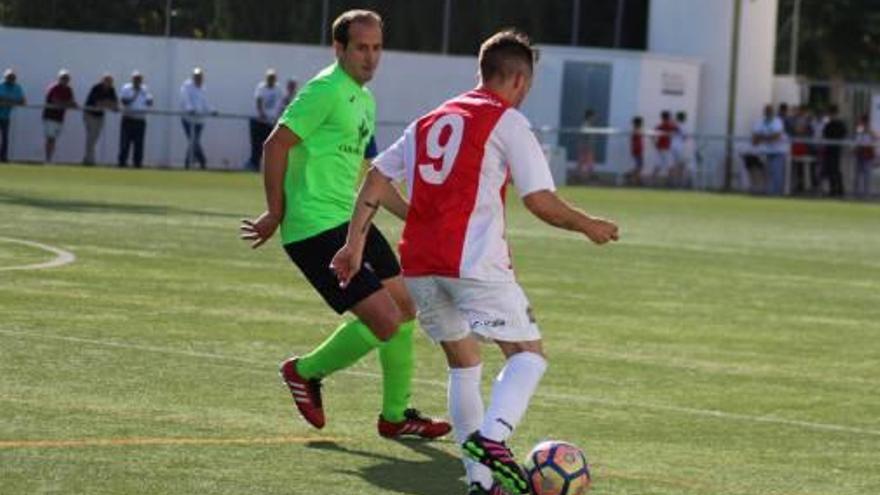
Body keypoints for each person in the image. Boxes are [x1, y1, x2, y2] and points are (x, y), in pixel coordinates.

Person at [330, 30, 619, 495]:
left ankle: (481, 485)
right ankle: (492, 438)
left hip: (420, 265)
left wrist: (354, 246)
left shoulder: (429, 120)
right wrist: (589, 225)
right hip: (473, 263)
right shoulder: (506, 121)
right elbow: (540, 201)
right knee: (528, 356)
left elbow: (378, 177)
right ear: (520, 80)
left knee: (464, 364)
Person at [239, 9, 450, 442]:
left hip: (351, 220)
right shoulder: (325, 90)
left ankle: (395, 416)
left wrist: (417, 218)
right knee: (386, 321)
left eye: (376, 48)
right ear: (340, 49)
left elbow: (371, 175)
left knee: (406, 307)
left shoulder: (364, 99)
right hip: (315, 229)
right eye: (361, 48)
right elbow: (275, 145)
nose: (370, 57)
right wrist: (275, 212)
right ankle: (304, 372)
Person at [248, 69, 286, 171]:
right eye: (269, 77)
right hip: (260, 122)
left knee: (271, 146)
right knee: (257, 146)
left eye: (273, 78)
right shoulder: (261, 87)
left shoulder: (279, 89)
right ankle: (255, 166)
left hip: (272, 123)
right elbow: (258, 101)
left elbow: (282, 103)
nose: (271, 79)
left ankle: (270, 167)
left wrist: (278, 116)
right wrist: (262, 114)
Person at [179, 67, 215, 169]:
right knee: (193, 141)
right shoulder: (187, 86)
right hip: (188, 119)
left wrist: (212, 110)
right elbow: (185, 99)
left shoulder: (203, 88)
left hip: (199, 120)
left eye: (200, 77)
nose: (198, 79)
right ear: (193, 77)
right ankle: (199, 161)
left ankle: (194, 162)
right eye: (197, 77)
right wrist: (190, 109)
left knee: (194, 141)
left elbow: (205, 103)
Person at [118, 71, 153, 168]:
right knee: (125, 143)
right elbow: (124, 101)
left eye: (139, 79)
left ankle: (137, 164)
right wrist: (134, 95)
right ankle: (122, 163)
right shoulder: (126, 88)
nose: (137, 81)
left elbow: (149, 101)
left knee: (139, 144)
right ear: (132, 79)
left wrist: (150, 100)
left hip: (140, 120)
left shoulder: (145, 89)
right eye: (136, 79)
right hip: (128, 119)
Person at [82, 73, 119, 165]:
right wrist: (108, 104)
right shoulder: (96, 88)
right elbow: (98, 103)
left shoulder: (111, 90)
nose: (108, 83)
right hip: (89, 114)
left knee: (95, 138)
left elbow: (116, 106)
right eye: (106, 81)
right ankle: (90, 161)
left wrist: (107, 104)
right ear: (102, 81)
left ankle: (87, 159)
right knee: (91, 137)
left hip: (100, 116)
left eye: (110, 81)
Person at [752, 104, 788, 196]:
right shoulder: (759, 122)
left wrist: (762, 137)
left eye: (770, 111)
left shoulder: (777, 121)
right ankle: (768, 192)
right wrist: (767, 138)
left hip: (778, 151)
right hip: (766, 151)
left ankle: (777, 193)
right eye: (767, 111)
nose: (768, 113)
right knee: (768, 173)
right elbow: (755, 140)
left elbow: (776, 136)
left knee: (777, 173)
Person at [42, 69, 78, 163]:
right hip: (50, 116)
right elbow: (56, 102)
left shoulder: (69, 89)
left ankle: (50, 159)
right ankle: (48, 159)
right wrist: (66, 104)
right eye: (63, 78)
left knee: (54, 139)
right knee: (50, 138)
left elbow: (73, 103)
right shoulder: (54, 88)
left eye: (66, 78)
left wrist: (65, 104)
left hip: (60, 118)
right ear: (59, 78)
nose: (65, 80)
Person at [0, 68, 26, 163]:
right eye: (9, 77)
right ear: (5, 77)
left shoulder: (17, 87)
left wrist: (7, 100)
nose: (11, 79)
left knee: (5, 138)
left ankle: (3, 158)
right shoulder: (0, 85)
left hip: (6, 117)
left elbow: (23, 102)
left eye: (12, 77)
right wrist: (10, 101)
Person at [821, 104, 847, 198]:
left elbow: (841, 134)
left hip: (835, 150)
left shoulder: (837, 124)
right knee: (832, 170)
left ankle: (837, 189)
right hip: (830, 149)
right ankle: (836, 189)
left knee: (834, 170)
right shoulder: (830, 124)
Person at [652, 110, 677, 185]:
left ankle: (655, 182)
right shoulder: (668, 126)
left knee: (659, 166)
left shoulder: (661, 126)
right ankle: (670, 183)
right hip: (665, 148)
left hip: (662, 148)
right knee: (668, 166)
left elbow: (653, 135)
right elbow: (677, 130)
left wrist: (655, 144)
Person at [853, 114, 875, 198]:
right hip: (860, 154)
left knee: (867, 175)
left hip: (867, 155)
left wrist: (869, 131)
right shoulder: (859, 130)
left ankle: (866, 193)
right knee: (857, 175)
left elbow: (876, 137)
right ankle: (857, 192)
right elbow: (857, 141)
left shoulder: (870, 130)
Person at [624, 116, 644, 185]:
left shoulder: (638, 129)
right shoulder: (635, 130)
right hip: (637, 150)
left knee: (639, 166)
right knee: (639, 166)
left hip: (638, 149)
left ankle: (635, 179)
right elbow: (635, 139)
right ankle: (632, 177)